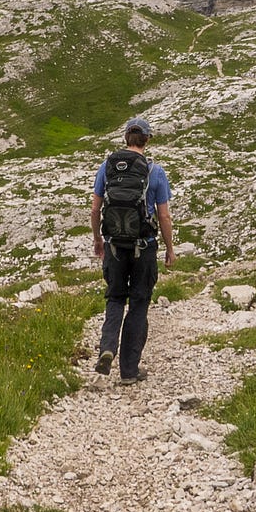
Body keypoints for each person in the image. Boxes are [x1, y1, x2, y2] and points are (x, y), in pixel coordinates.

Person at [90, 116, 174, 383]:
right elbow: (164, 217)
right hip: (144, 247)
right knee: (138, 303)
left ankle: (107, 349)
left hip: (114, 246)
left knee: (115, 299)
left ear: (126, 138)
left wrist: (98, 240)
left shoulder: (107, 166)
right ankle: (129, 371)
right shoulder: (155, 172)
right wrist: (170, 248)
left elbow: (95, 209)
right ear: (147, 139)